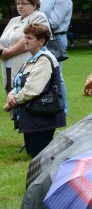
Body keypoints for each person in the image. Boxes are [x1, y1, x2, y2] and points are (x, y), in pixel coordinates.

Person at [3, 23, 65, 157]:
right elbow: (19, 82)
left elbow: (32, 89)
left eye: (29, 38)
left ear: (41, 41)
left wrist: (13, 102)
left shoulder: (45, 60)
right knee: (33, 153)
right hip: (32, 116)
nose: (25, 40)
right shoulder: (32, 60)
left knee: (40, 156)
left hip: (42, 117)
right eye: (25, 37)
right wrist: (11, 94)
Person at [0, 0, 49, 93]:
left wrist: (9, 52)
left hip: (28, 66)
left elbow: (29, 39)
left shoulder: (39, 17)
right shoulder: (14, 20)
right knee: (11, 99)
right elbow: (3, 40)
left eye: (24, 3)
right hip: (7, 66)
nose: (20, 6)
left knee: (25, 99)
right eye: (18, 3)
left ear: (34, 5)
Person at [39, 0, 72, 115]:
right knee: (41, 73)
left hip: (56, 39)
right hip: (42, 38)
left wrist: (34, 24)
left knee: (57, 75)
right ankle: (47, 105)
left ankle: (62, 111)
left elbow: (54, 22)